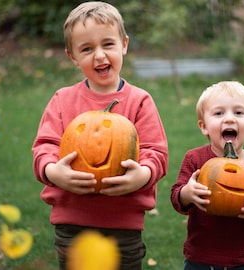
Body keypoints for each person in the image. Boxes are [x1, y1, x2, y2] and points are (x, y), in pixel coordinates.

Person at [32, 2, 168, 270]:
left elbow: (156, 152)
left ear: (124, 45)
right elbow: (44, 146)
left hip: (123, 225)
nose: (99, 56)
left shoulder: (140, 101)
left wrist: (143, 175)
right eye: (86, 49)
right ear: (72, 56)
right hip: (72, 223)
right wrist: (52, 172)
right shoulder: (62, 100)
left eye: (108, 44)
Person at [171, 81, 244, 270]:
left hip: (243, 260)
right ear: (204, 126)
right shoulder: (195, 159)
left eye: (238, 113)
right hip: (200, 257)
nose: (229, 119)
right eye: (219, 113)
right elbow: (177, 197)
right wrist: (187, 193)